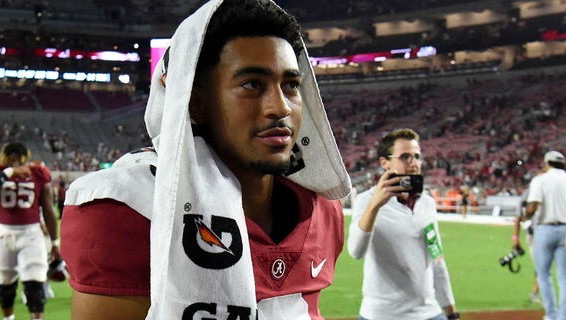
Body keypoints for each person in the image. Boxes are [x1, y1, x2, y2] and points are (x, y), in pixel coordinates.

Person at [60, 0, 351, 319]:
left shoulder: (322, 209)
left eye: (291, 85)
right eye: (252, 84)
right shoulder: (127, 210)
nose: (280, 107)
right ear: (195, 103)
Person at [347, 128, 459, 320]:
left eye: (417, 156)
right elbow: (356, 252)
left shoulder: (427, 203)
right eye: (405, 157)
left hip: (428, 313)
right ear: (385, 163)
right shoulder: (366, 201)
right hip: (381, 314)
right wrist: (375, 205)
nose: (413, 163)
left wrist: (450, 311)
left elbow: (436, 257)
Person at [0, 142, 60, 320]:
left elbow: (48, 209)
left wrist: (54, 243)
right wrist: (9, 173)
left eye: (16, 160)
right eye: (10, 160)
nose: (13, 163)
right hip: (4, 234)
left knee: (35, 285)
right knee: (5, 285)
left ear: (24, 159)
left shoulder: (38, 173)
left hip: (31, 233)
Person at [521, 150, 566, 320]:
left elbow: (532, 207)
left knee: (543, 275)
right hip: (565, 230)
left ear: (547, 163)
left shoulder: (540, 180)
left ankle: (552, 315)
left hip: (545, 230)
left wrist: (524, 217)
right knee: (564, 277)